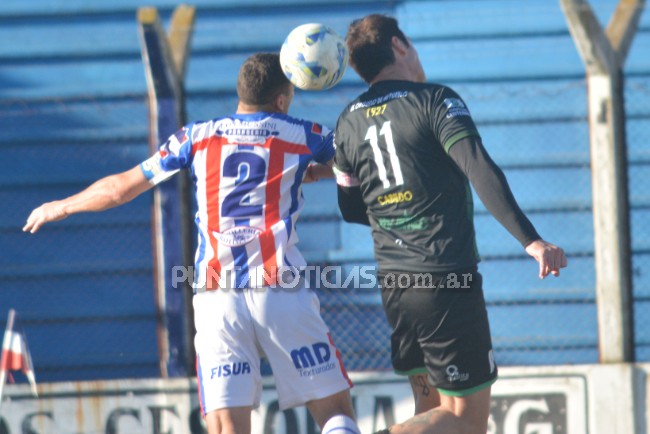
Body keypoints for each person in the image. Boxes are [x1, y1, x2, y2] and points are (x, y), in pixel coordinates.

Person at [23, 53, 361, 434]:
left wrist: (61, 206)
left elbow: (119, 189)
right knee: (335, 414)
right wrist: (307, 171)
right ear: (281, 100)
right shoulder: (304, 133)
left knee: (227, 428)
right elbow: (353, 166)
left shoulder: (195, 136)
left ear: (241, 93)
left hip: (217, 298)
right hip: (280, 289)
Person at [333, 14, 568, 434]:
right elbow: (479, 168)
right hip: (444, 281)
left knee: (432, 408)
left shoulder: (347, 121)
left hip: (396, 287)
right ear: (400, 46)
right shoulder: (434, 101)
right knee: (465, 419)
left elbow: (351, 209)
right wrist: (530, 240)